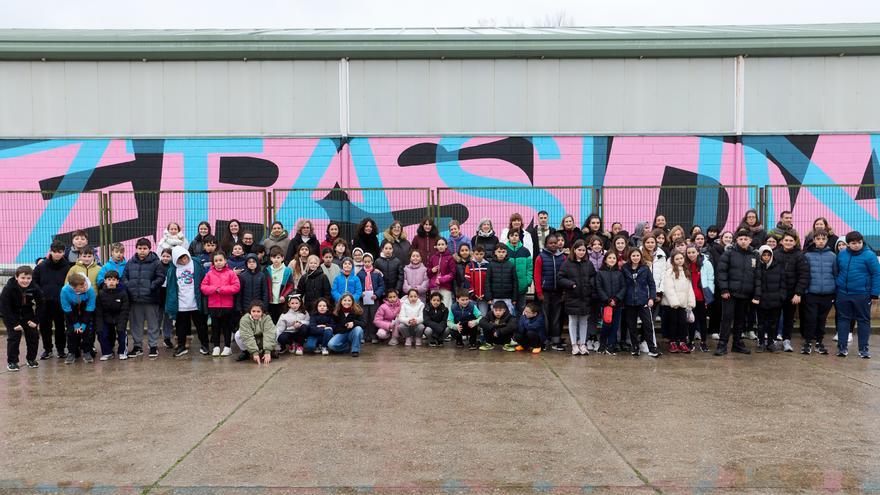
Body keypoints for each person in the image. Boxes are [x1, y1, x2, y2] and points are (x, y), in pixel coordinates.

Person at [835, 231, 880, 358]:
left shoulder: (870, 255)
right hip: (843, 294)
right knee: (843, 319)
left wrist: (875, 293)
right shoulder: (842, 254)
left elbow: (877, 274)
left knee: (863, 321)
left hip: (862, 294)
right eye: (853, 243)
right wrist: (837, 288)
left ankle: (863, 349)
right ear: (848, 244)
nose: (857, 245)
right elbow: (837, 271)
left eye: (859, 242)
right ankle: (842, 348)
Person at [715, 230, 759, 356]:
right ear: (737, 240)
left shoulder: (754, 255)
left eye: (746, 239)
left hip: (745, 294)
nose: (743, 241)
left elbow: (757, 276)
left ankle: (737, 344)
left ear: (750, 240)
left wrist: (756, 294)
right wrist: (724, 289)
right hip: (730, 294)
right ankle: (722, 345)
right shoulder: (729, 253)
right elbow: (721, 272)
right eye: (741, 239)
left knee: (740, 320)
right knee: (727, 319)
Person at [122, 238, 164, 358]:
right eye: (140, 248)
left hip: (151, 299)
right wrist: (129, 286)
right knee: (136, 324)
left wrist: (151, 286)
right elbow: (124, 277)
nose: (142, 251)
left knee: (153, 324)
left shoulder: (156, 262)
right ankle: (137, 346)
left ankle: (153, 346)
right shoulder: (130, 262)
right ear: (136, 249)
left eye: (145, 248)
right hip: (135, 299)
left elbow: (160, 277)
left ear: (149, 249)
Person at [165, 246, 209, 357]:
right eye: (180, 259)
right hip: (181, 303)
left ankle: (205, 345)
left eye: (185, 258)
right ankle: (181, 346)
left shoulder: (196, 264)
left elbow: (204, 279)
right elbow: (171, 288)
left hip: (196, 302)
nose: (184, 261)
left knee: (201, 325)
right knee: (180, 326)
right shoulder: (173, 269)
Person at [801, 229, 836, 355]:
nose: (821, 241)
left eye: (823, 239)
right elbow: (804, 275)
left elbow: (835, 274)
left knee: (822, 319)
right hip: (811, 293)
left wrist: (834, 291)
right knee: (810, 319)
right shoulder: (807, 255)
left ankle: (819, 342)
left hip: (828, 294)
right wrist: (806, 291)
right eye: (818, 239)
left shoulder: (833, 256)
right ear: (814, 240)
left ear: (827, 240)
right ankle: (807, 342)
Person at [774, 232, 811, 352]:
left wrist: (798, 293)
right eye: (786, 240)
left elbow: (804, 276)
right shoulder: (775, 254)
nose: (788, 242)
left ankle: (787, 340)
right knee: (774, 317)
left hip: (792, 293)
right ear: (781, 241)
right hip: (776, 292)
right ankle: (772, 340)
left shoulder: (800, 256)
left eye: (791, 240)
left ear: (795, 242)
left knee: (789, 318)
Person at [558, 239, 596, 356]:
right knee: (573, 321)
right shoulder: (567, 263)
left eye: (583, 250)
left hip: (585, 297)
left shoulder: (588, 264)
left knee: (584, 321)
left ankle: (582, 344)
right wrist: (571, 284)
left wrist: (589, 285)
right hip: (572, 296)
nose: (581, 252)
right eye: (579, 250)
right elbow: (560, 278)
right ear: (574, 250)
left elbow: (593, 277)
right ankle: (574, 344)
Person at [2, 266, 43, 371]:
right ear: (16, 277)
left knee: (33, 336)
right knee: (14, 338)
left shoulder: (35, 288)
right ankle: (12, 362)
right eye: (23, 278)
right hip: (12, 316)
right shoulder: (8, 288)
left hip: (28, 315)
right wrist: (13, 324)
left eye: (28, 278)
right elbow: (4, 308)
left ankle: (31, 359)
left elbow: (42, 304)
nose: (25, 281)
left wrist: (36, 321)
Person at [33, 240, 70, 360]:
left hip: (60, 302)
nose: (57, 254)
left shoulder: (67, 267)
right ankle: (48, 349)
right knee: (44, 327)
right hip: (44, 302)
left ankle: (61, 350)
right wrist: (40, 295)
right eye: (55, 251)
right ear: (50, 251)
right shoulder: (41, 266)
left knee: (60, 326)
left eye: (60, 252)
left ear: (63, 252)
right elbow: (34, 282)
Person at [622, 248, 661, 358]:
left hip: (643, 301)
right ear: (630, 257)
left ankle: (652, 348)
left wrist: (651, 298)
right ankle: (635, 347)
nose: (635, 258)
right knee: (632, 326)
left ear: (640, 257)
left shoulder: (645, 268)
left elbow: (651, 284)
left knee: (648, 325)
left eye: (637, 255)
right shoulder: (625, 268)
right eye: (633, 256)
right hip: (629, 302)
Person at [201, 251, 241, 357]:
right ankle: (216, 347)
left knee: (227, 326)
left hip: (227, 305)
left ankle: (227, 347)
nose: (218, 262)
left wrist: (222, 290)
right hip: (213, 305)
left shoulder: (230, 273)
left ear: (225, 261)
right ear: (213, 262)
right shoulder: (209, 274)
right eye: (216, 260)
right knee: (215, 327)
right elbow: (203, 287)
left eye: (220, 260)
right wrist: (215, 289)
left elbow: (236, 287)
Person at [533, 233, 565, 351]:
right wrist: (539, 292)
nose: (553, 245)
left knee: (556, 316)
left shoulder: (563, 257)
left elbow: (565, 275)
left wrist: (564, 292)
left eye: (555, 243)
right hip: (545, 292)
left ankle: (556, 340)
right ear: (546, 244)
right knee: (545, 317)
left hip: (558, 292)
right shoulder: (540, 257)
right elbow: (537, 276)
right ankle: (544, 340)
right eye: (550, 243)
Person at [661, 252, 696, 354]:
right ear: (673, 261)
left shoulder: (686, 271)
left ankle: (682, 342)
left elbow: (689, 289)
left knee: (682, 323)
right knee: (673, 323)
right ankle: (672, 342)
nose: (680, 260)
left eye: (681, 258)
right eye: (677, 259)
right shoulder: (669, 272)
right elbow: (669, 288)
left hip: (683, 304)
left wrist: (690, 302)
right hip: (672, 304)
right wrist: (675, 302)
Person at [752, 245, 784, 353]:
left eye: (768, 255)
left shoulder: (778, 266)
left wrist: (781, 296)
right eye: (764, 255)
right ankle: (761, 342)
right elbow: (756, 283)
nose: (766, 257)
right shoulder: (758, 267)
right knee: (761, 323)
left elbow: (783, 283)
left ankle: (771, 342)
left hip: (775, 300)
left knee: (773, 323)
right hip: (761, 300)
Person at [60, 273, 96, 365]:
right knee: (71, 332)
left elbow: (91, 306)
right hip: (72, 311)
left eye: (85, 284)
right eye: (81, 286)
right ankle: (71, 352)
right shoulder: (65, 291)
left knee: (87, 332)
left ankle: (87, 351)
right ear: (73, 287)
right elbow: (66, 308)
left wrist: (83, 324)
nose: (85, 287)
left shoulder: (90, 289)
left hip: (85, 309)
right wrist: (76, 324)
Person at [94, 270, 129, 361]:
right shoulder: (101, 294)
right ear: (105, 281)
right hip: (106, 318)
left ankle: (122, 352)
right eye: (109, 279)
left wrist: (121, 325)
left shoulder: (123, 293)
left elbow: (124, 311)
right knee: (101, 332)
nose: (111, 282)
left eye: (114, 280)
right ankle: (107, 352)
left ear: (117, 281)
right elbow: (99, 312)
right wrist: (99, 326)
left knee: (121, 332)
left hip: (119, 317)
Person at [686, 245, 714, 352]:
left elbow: (711, 280)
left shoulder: (706, 263)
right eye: (689, 253)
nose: (691, 255)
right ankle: (690, 341)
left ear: (698, 252)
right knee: (691, 320)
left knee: (702, 320)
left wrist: (708, 297)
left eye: (693, 252)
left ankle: (703, 342)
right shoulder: (685, 264)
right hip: (690, 298)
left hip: (702, 297)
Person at [596, 251, 625, 355]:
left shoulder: (619, 273)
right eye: (610, 258)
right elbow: (599, 288)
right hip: (606, 304)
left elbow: (623, 287)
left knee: (615, 326)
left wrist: (616, 299)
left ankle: (611, 345)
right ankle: (602, 344)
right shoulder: (600, 273)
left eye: (614, 258)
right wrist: (607, 300)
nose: (612, 260)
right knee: (606, 325)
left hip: (617, 304)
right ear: (605, 260)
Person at [357, 252, 385, 342]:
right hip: (363, 299)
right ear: (362, 262)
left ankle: (373, 335)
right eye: (365, 262)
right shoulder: (360, 274)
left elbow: (381, 286)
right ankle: (364, 336)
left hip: (374, 298)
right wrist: (361, 293)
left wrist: (376, 294)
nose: (367, 263)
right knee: (364, 317)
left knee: (374, 316)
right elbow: (357, 286)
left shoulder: (377, 273)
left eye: (369, 261)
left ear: (372, 261)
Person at [505, 229, 533, 315]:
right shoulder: (504, 251)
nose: (514, 237)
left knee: (522, 309)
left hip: (522, 286)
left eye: (516, 235)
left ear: (519, 237)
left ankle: (521, 324)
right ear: (508, 237)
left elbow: (529, 268)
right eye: (512, 235)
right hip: (508, 287)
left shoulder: (525, 251)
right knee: (509, 310)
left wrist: (528, 281)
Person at [264, 247, 295, 323]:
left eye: (278, 257)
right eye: (274, 257)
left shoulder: (287, 270)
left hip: (281, 302)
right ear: (271, 258)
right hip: (270, 302)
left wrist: (284, 296)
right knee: (271, 322)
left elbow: (290, 286)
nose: (276, 260)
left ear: (282, 258)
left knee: (281, 322)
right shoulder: (267, 270)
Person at [485, 244, 518, 315]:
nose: (501, 254)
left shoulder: (511, 265)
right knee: (495, 316)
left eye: (503, 252)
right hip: (494, 298)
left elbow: (515, 282)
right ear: (495, 252)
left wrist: (514, 298)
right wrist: (489, 297)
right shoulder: (491, 265)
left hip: (508, 298)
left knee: (509, 316)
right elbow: (487, 282)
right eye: (499, 252)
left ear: (506, 253)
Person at [427, 238, 456, 308]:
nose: (440, 246)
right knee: (434, 306)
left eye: (442, 244)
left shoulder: (450, 258)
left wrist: (442, 279)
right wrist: (432, 270)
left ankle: (446, 316)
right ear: (436, 246)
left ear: (446, 246)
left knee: (446, 306)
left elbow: (453, 273)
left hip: (445, 287)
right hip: (434, 287)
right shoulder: (433, 257)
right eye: (439, 244)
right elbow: (428, 273)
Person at [157, 247, 175, 349]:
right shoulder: (157, 266)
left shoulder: (173, 267)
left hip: (169, 296)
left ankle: (167, 338)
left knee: (168, 319)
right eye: (163, 256)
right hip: (159, 296)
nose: (165, 258)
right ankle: (154, 340)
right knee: (157, 318)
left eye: (168, 256)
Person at [464, 245, 490, 316]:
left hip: (484, 297)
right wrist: (472, 293)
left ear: (484, 254)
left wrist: (485, 294)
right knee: (472, 316)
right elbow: (467, 281)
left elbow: (489, 281)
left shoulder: (488, 265)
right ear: (473, 254)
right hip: (473, 297)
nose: (479, 256)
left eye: (481, 254)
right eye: (477, 254)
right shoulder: (469, 265)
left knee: (483, 315)